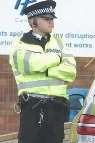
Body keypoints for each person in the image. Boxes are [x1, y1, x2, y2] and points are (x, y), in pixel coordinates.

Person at [9, 0, 76, 143]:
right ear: (33, 22)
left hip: (57, 109)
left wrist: (44, 69)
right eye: (47, 19)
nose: (52, 22)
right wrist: (57, 58)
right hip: (32, 107)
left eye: (52, 19)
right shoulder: (20, 44)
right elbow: (30, 65)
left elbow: (70, 71)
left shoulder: (58, 42)